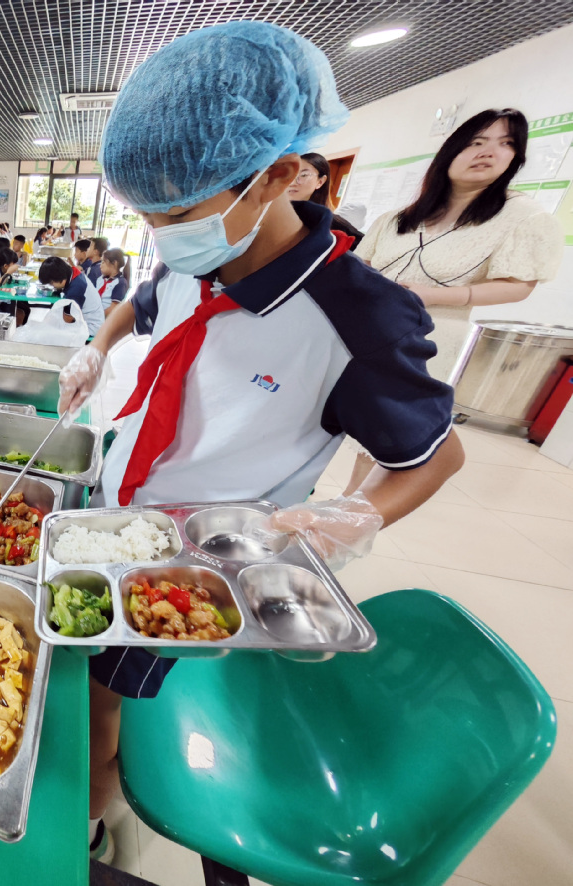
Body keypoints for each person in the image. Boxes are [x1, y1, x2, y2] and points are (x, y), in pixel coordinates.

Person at [56, 22, 465, 865]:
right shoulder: (192, 257)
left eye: (173, 213)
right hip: (111, 513)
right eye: (146, 215)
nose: (161, 234)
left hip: (196, 562)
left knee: (113, 697)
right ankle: (90, 775)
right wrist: (96, 346)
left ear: (279, 174)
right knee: (78, 673)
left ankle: (91, 817)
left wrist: (353, 513)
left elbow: (432, 456)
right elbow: (145, 298)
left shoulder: (361, 319)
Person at [355, 108, 564, 382]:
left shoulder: (525, 216)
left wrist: (434, 296)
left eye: (506, 143)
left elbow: (517, 286)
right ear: (449, 152)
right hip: (360, 329)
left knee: (399, 417)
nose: (489, 152)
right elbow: (361, 267)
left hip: (427, 341)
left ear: (515, 158)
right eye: (476, 142)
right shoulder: (396, 218)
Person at [287, 152, 364, 245]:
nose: (292, 182)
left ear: (320, 181)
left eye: (303, 175)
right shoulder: (271, 214)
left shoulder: (331, 225)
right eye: (288, 174)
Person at [38, 255, 104, 336]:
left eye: (52, 283)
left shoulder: (76, 288)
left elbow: (68, 319)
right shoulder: (71, 272)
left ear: (60, 278)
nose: (53, 286)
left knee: (51, 334)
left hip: (90, 327)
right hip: (86, 321)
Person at [97, 247, 130, 316]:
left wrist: (96, 316)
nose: (100, 266)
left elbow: (113, 308)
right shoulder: (100, 279)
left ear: (114, 263)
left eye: (103, 262)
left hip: (105, 320)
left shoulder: (120, 282)